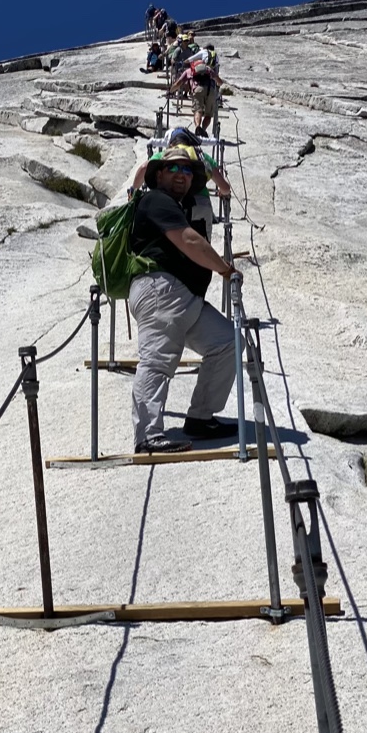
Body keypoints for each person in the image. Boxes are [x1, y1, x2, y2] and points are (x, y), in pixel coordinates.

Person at [128, 148, 242, 454]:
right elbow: (190, 242)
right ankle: (147, 436)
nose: (182, 174)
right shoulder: (156, 200)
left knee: (228, 342)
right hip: (160, 291)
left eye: (188, 170)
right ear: (160, 175)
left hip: (182, 297)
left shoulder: (175, 206)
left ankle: (200, 418)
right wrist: (225, 270)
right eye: (174, 168)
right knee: (158, 360)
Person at [131, 128, 230, 242]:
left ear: (171, 144)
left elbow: (144, 168)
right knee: (202, 248)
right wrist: (223, 192)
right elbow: (225, 188)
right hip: (200, 204)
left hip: (171, 205)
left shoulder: (166, 155)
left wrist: (133, 190)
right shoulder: (202, 157)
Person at [170, 55, 223, 137]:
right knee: (208, 114)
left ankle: (198, 127)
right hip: (210, 90)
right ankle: (203, 129)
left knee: (198, 110)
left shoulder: (189, 71)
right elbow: (219, 81)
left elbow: (178, 83)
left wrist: (171, 90)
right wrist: (219, 86)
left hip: (197, 90)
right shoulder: (208, 69)